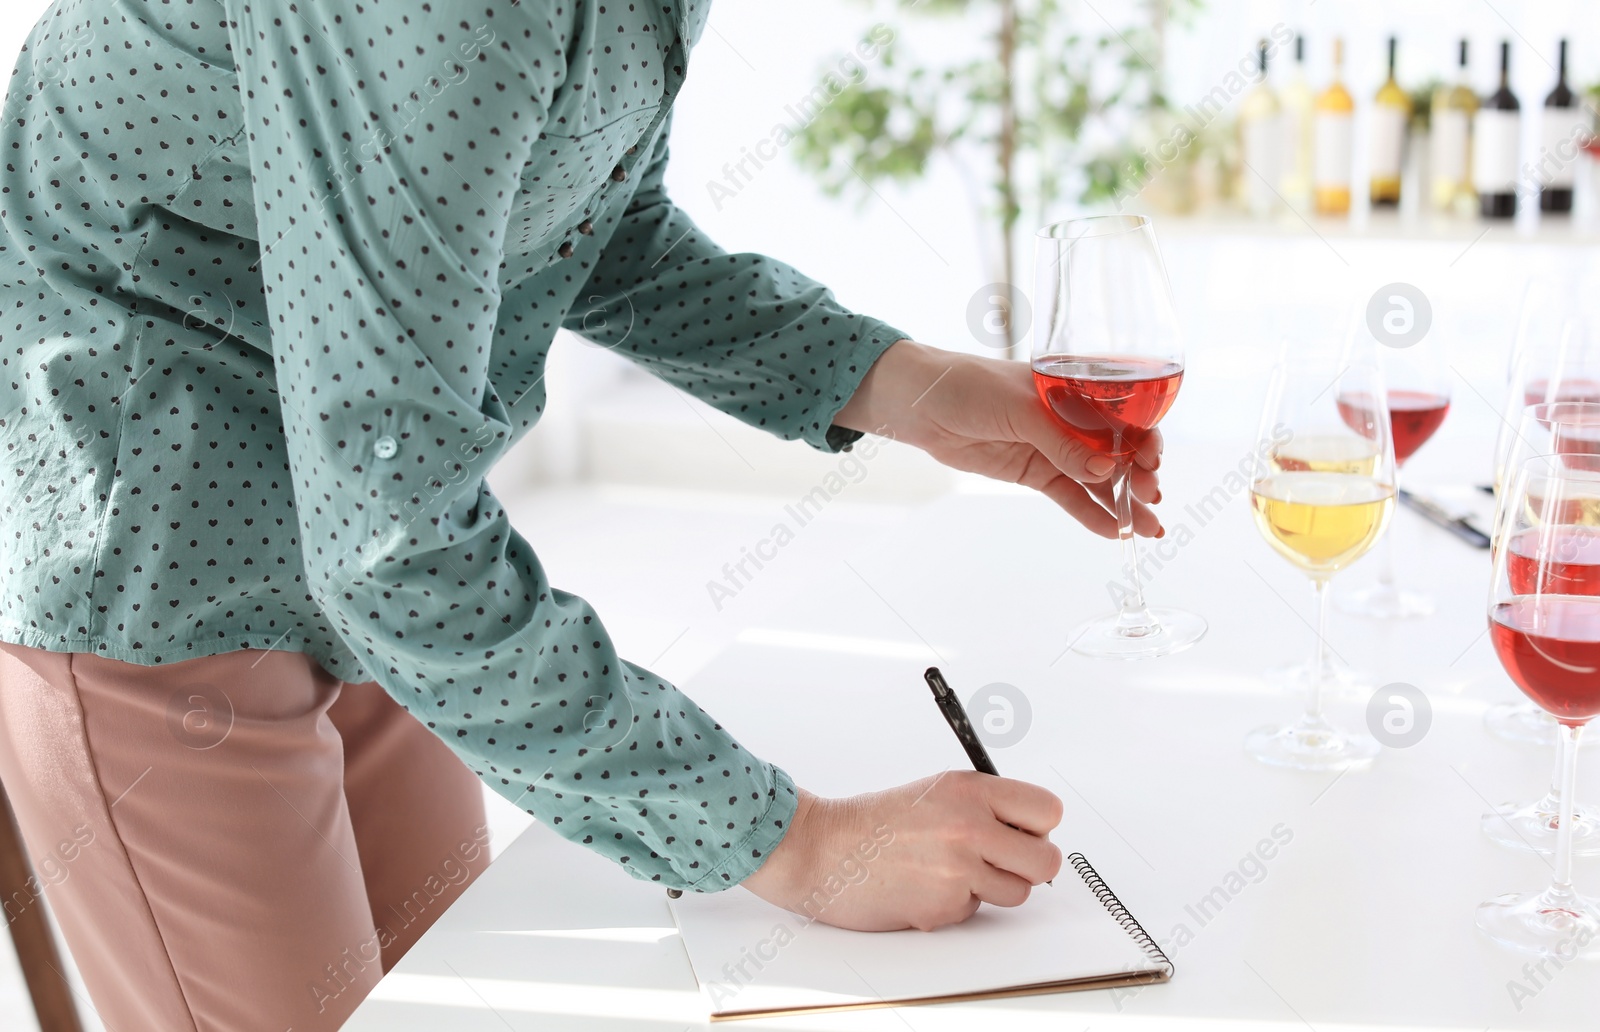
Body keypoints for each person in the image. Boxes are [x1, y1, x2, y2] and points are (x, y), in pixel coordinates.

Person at [0, 1, 1162, 1028]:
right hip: (160, 559)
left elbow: (580, 230)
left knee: (454, 988)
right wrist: (796, 844)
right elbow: (392, 543)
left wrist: (911, 384)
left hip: (375, 553)